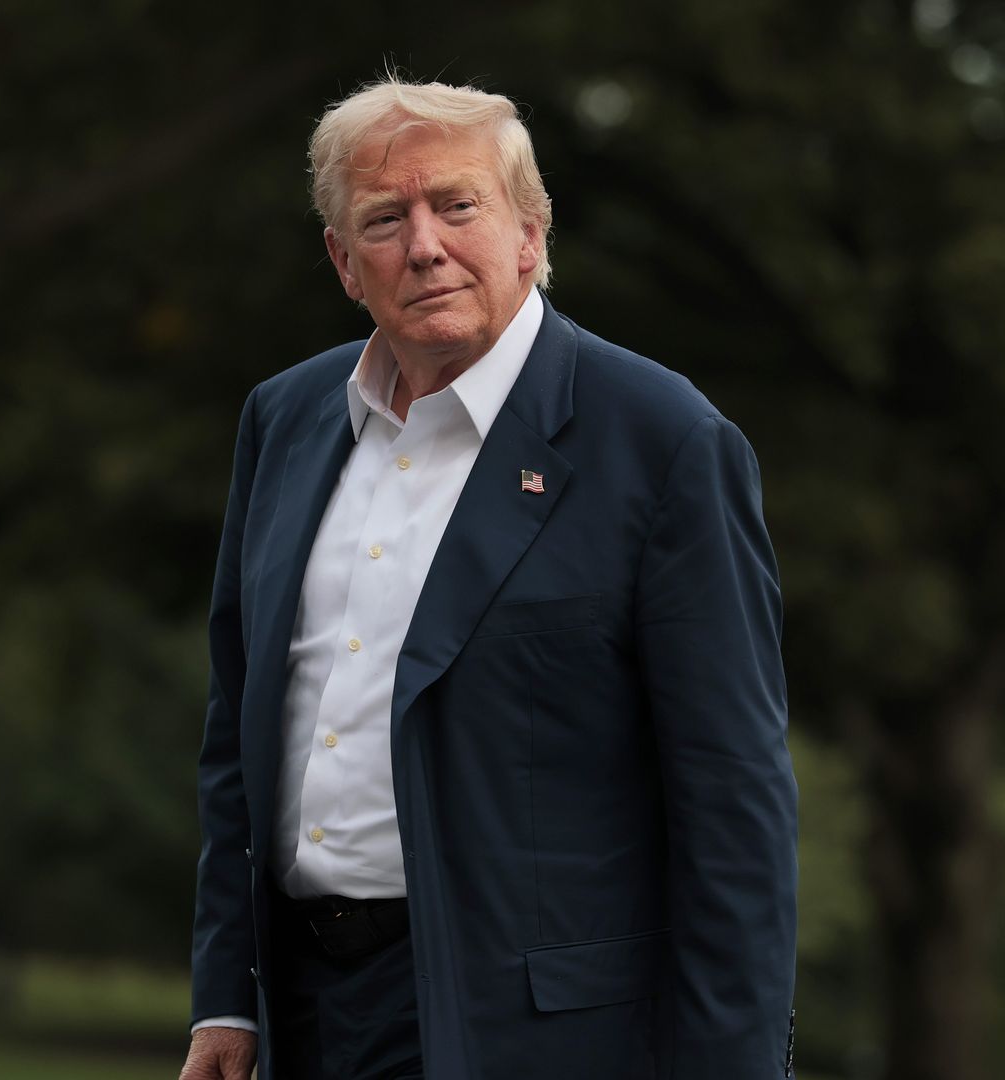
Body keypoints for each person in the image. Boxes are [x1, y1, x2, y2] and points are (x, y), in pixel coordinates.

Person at [180, 76, 797, 1080]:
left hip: (540, 1035)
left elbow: (734, 801)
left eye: (457, 205)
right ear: (344, 261)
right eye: (385, 218)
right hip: (306, 1016)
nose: (424, 244)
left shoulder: (662, 440)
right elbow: (236, 741)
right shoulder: (284, 422)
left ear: (528, 231)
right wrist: (226, 998)